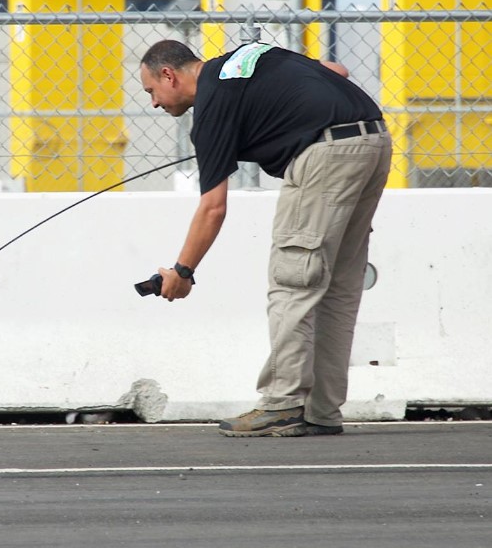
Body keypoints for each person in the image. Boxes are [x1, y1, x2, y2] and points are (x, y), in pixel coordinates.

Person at [138, 38, 391, 438]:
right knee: (339, 286)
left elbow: (213, 208)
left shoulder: (211, 108)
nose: (154, 102)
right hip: (373, 139)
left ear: (168, 74)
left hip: (325, 154)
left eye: (151, 90)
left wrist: (182, 271)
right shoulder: (246, 56)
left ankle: (282, 404)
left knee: (294, 280)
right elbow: (335, 72)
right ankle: (322, 411)